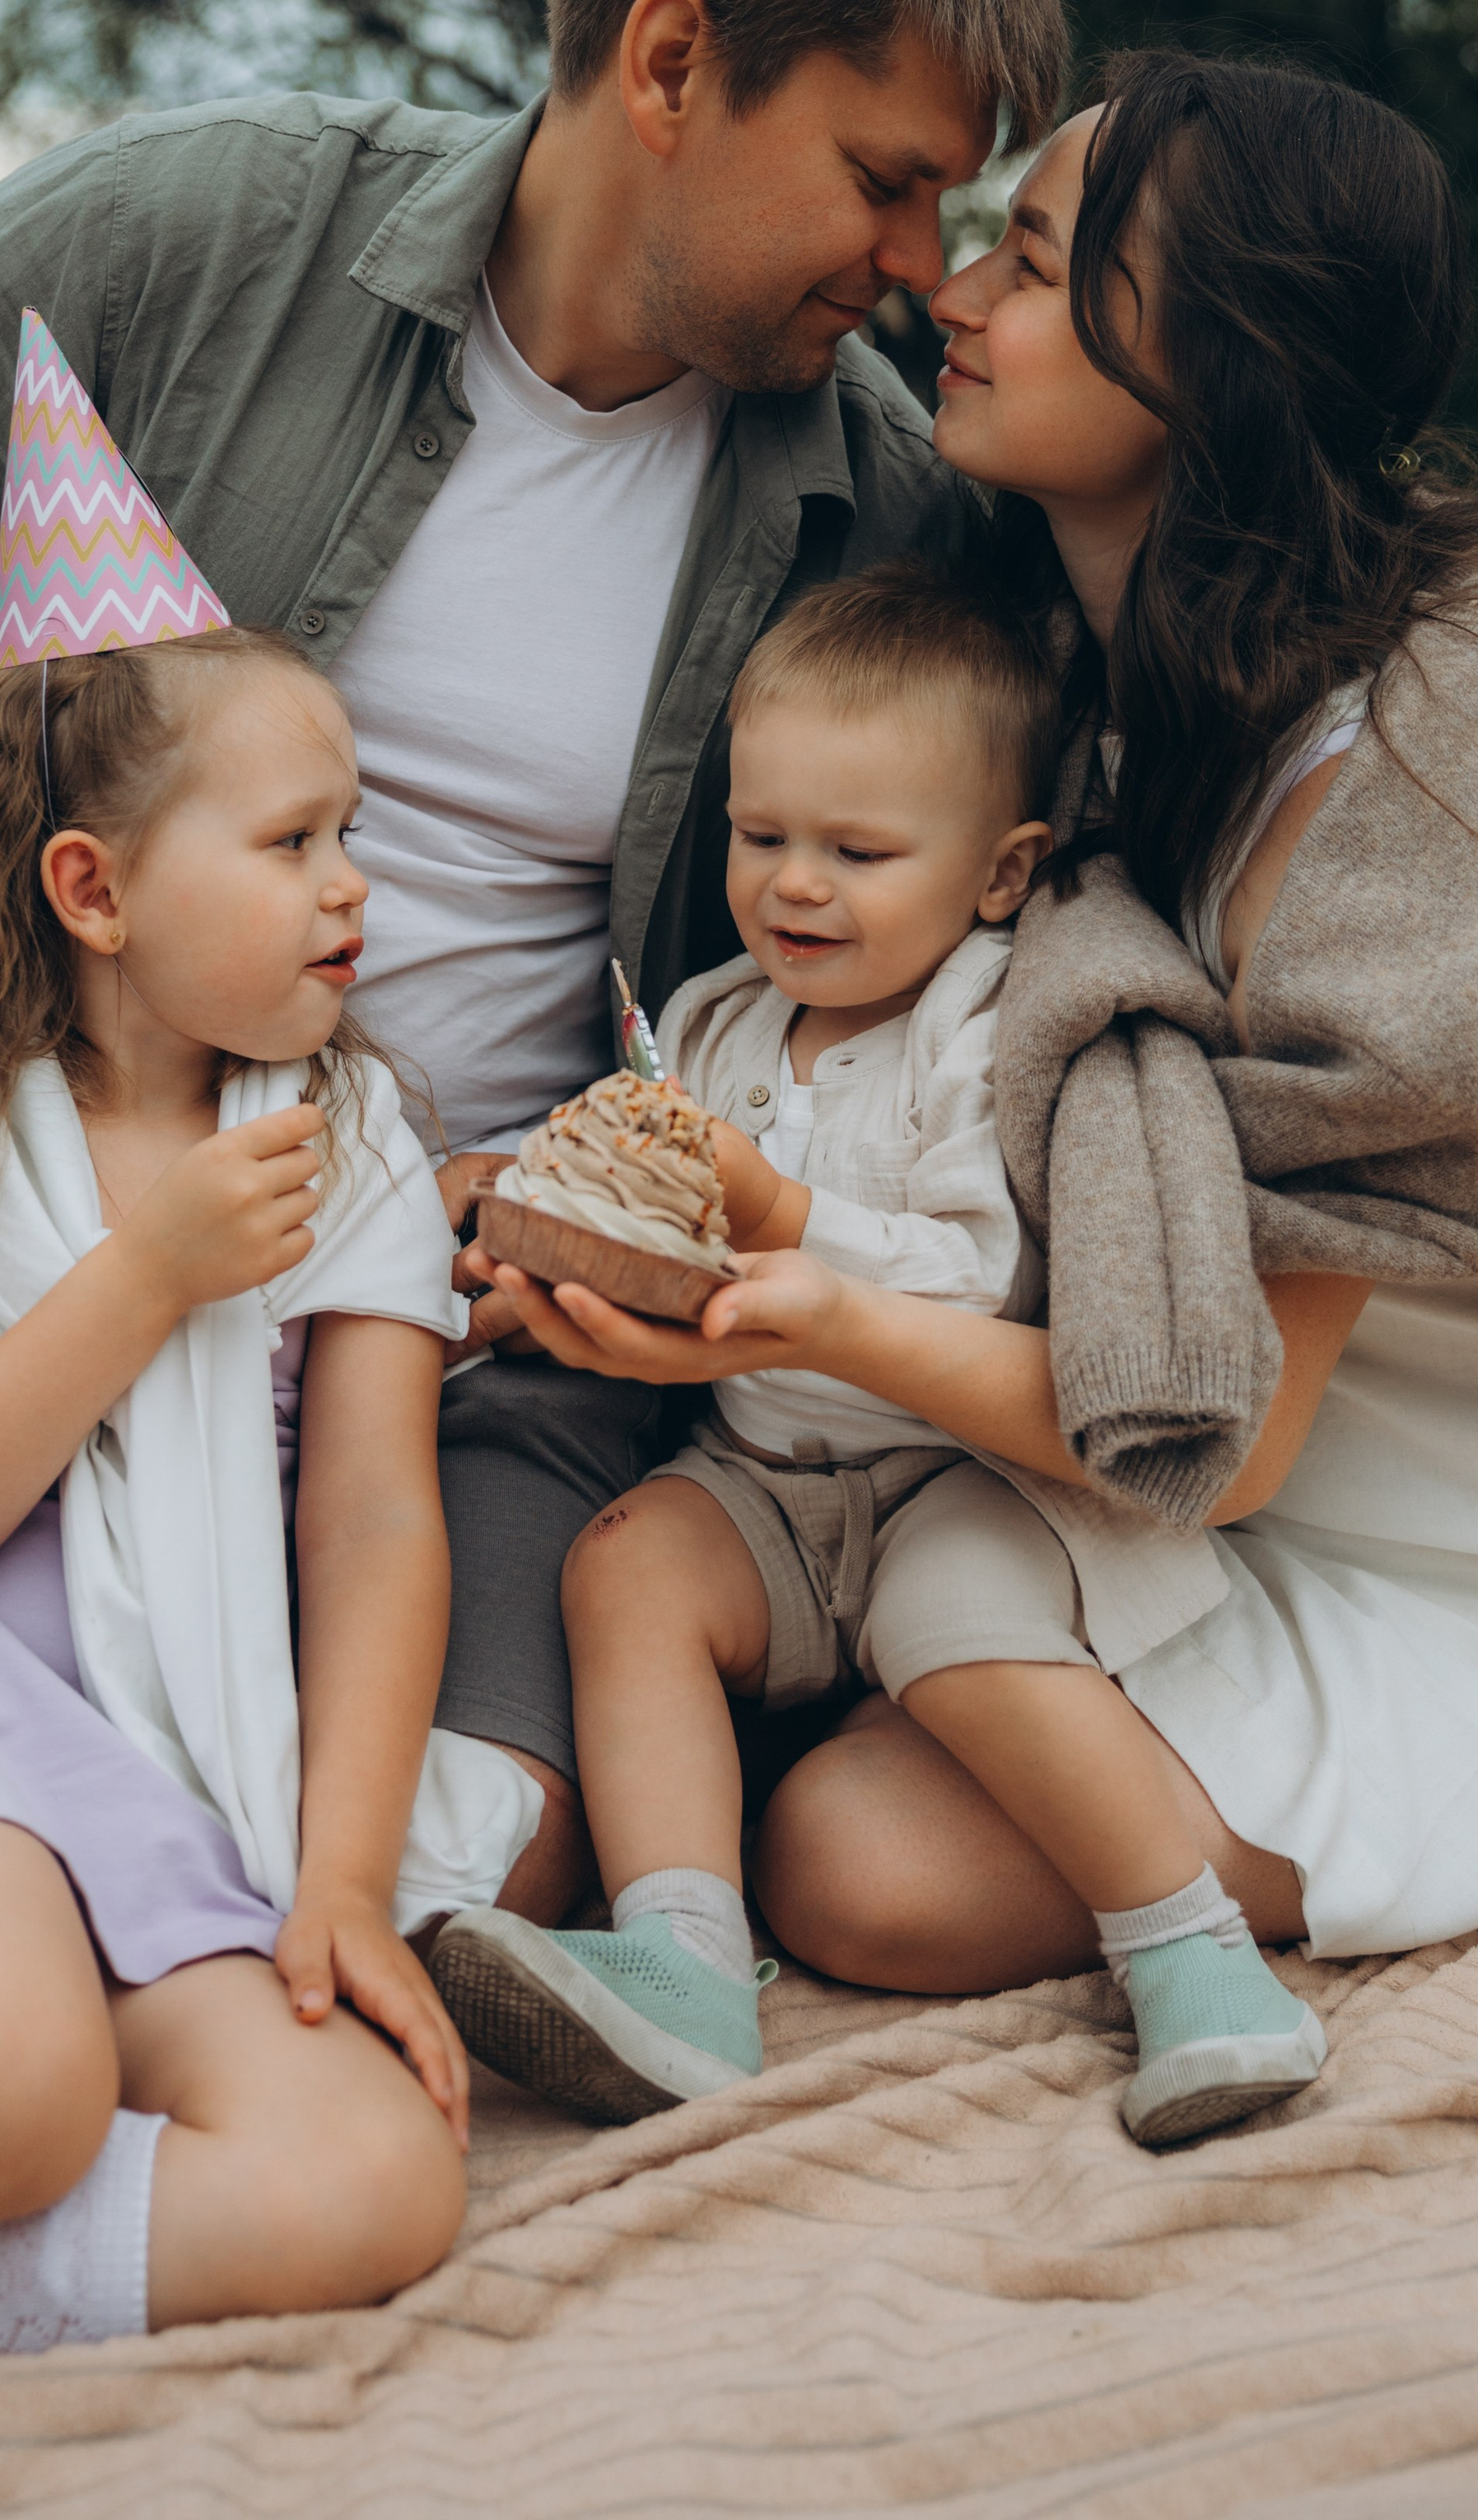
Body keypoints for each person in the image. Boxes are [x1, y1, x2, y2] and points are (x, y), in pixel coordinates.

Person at [0, 0, 1068, 1907]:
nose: (915, 263)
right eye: (885, 177)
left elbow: (969, 902)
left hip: (484, 1356)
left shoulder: (874, 503)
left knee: (459, 1865)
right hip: (37, 1250)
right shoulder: (189, 236)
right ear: (672, 60)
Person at [470, 49, 1478, 2117]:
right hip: (1095, 1487)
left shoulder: (1430, 748)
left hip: (1440, 1537)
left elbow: (1226, 1438)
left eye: (1037, 264)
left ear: (1215, 359)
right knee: (825, 1834)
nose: (952, 293)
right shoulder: (1044, 693)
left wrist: (809, 1310)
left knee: (861, 1869)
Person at [0, 624, 499, 2371]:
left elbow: (368, 1533)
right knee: (4, 2077)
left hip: (139, 1748)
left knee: (365, 2173)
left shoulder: (341, 1148)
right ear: (92, 889)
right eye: (292, 844)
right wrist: (143, 1279)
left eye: (350, 834)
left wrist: (338, 1880)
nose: (352, 890)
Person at [433, 566, 1241, 2126]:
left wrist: (786, 1213)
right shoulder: (716, 1020)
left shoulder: (980, 1030)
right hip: (756, 1471)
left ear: (1002, 872)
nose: (796, 887)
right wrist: (538, 1216)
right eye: (762, 837)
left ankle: (1189, 1953)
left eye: (858, 852)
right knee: (625, 1568)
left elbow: (983, 1278)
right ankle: (681, 1955)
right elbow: (665, 1229)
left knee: (969, 1638)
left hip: (952, 1474)